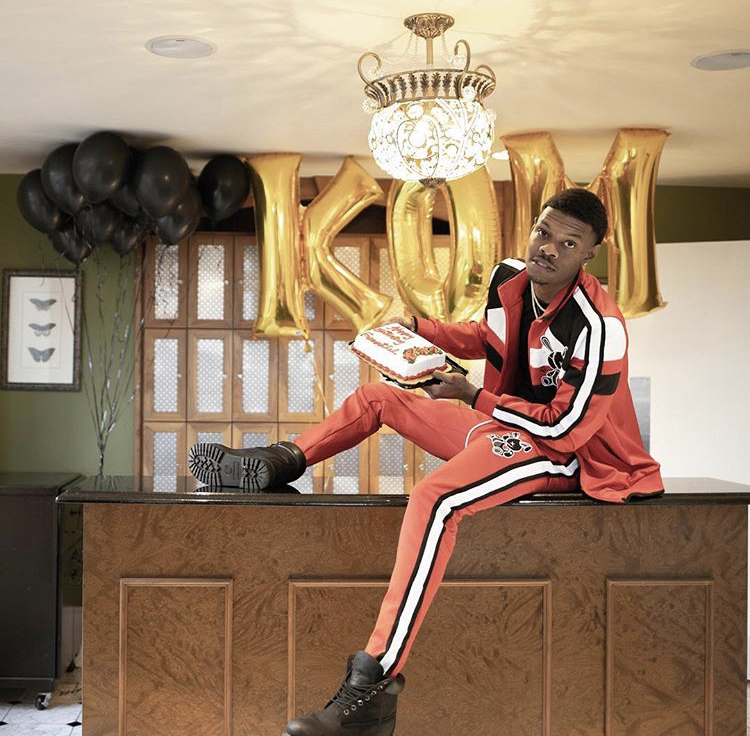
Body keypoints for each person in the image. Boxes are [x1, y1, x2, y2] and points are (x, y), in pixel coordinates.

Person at [188, 188, 663, 736]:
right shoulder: (511, 279)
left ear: (590, 255)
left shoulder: (600, 327)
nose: (549, 248)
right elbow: (487, 340)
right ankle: (281, 461)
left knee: (434, 499)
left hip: (574, 456)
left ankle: (373, 684)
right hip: (507, 426)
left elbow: (565, 428)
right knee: (378, 398)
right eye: (544, 232)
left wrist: (473, 397)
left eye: (569, 243)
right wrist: (420, 330)